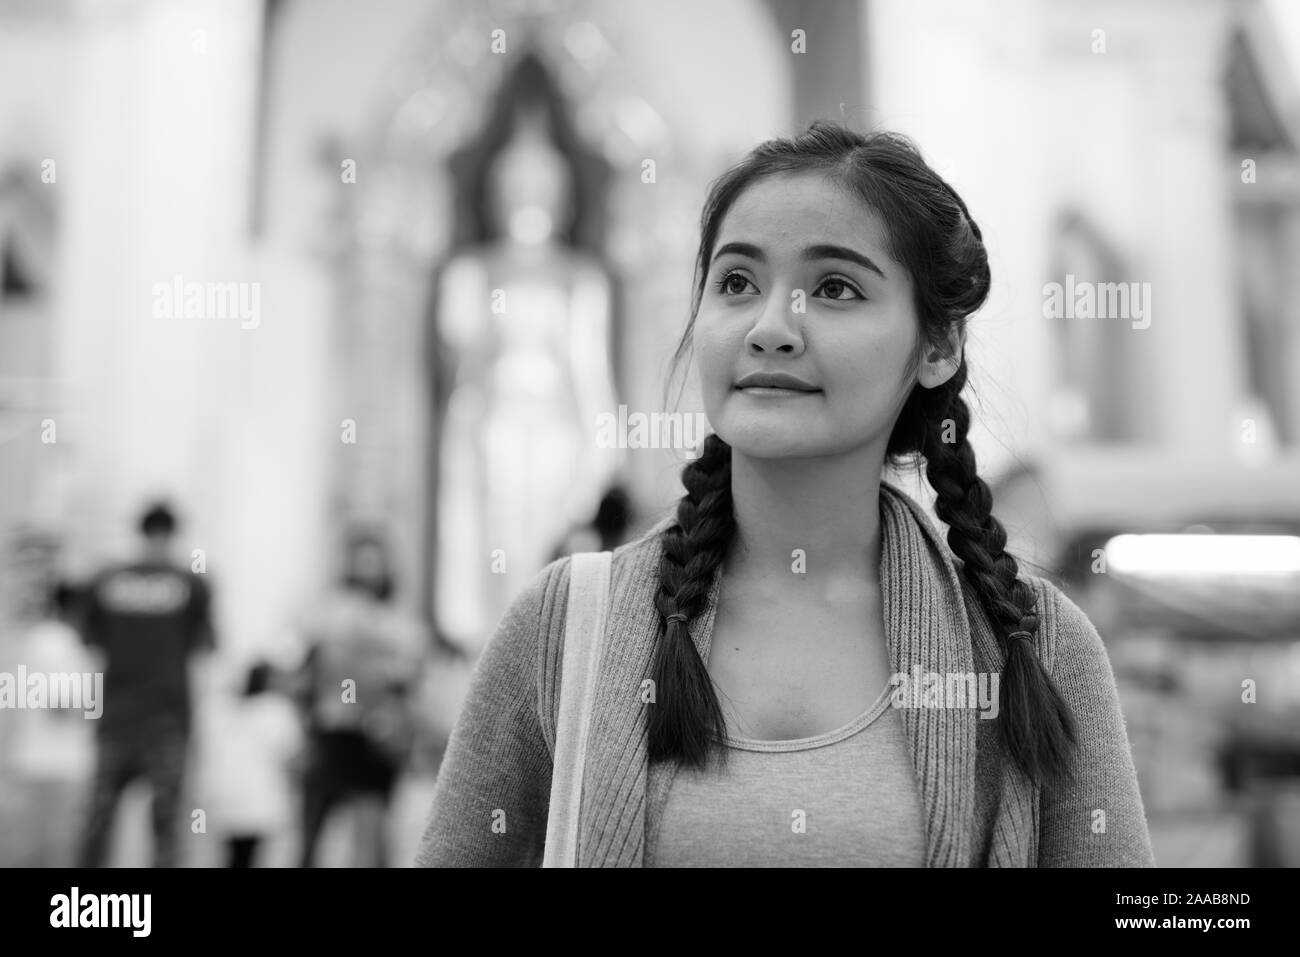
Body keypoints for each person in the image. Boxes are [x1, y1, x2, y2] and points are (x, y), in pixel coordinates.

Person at [415, 122, 1155, 868]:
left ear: (938, 346)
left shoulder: (1032, 644)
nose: (770, 328)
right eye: (736, 282)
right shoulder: (566, 626)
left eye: (834, 288)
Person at [78, 501, 215, 868]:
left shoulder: (106, 579)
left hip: (116, 717)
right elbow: (206, 646)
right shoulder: (192, 584)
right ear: (172, 534)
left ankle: (82, 911)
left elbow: (90, 640)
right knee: (167, 828)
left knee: (98, 823)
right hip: (168, 720)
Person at [294, 532, 425, 867]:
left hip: (376, 738)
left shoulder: (399, 620)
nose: (368, 571)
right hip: (333, 732)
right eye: (361, 562)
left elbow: (407, 671)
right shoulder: (328, 610)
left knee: (370, 835)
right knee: (312, 833)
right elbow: (319, 664)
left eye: (374, 562)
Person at [206, 661, 303, 868]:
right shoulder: (278, 708)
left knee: (236, 857)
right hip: (263, 803)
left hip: (226, 801)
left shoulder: (228, 711)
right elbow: (294, 757)